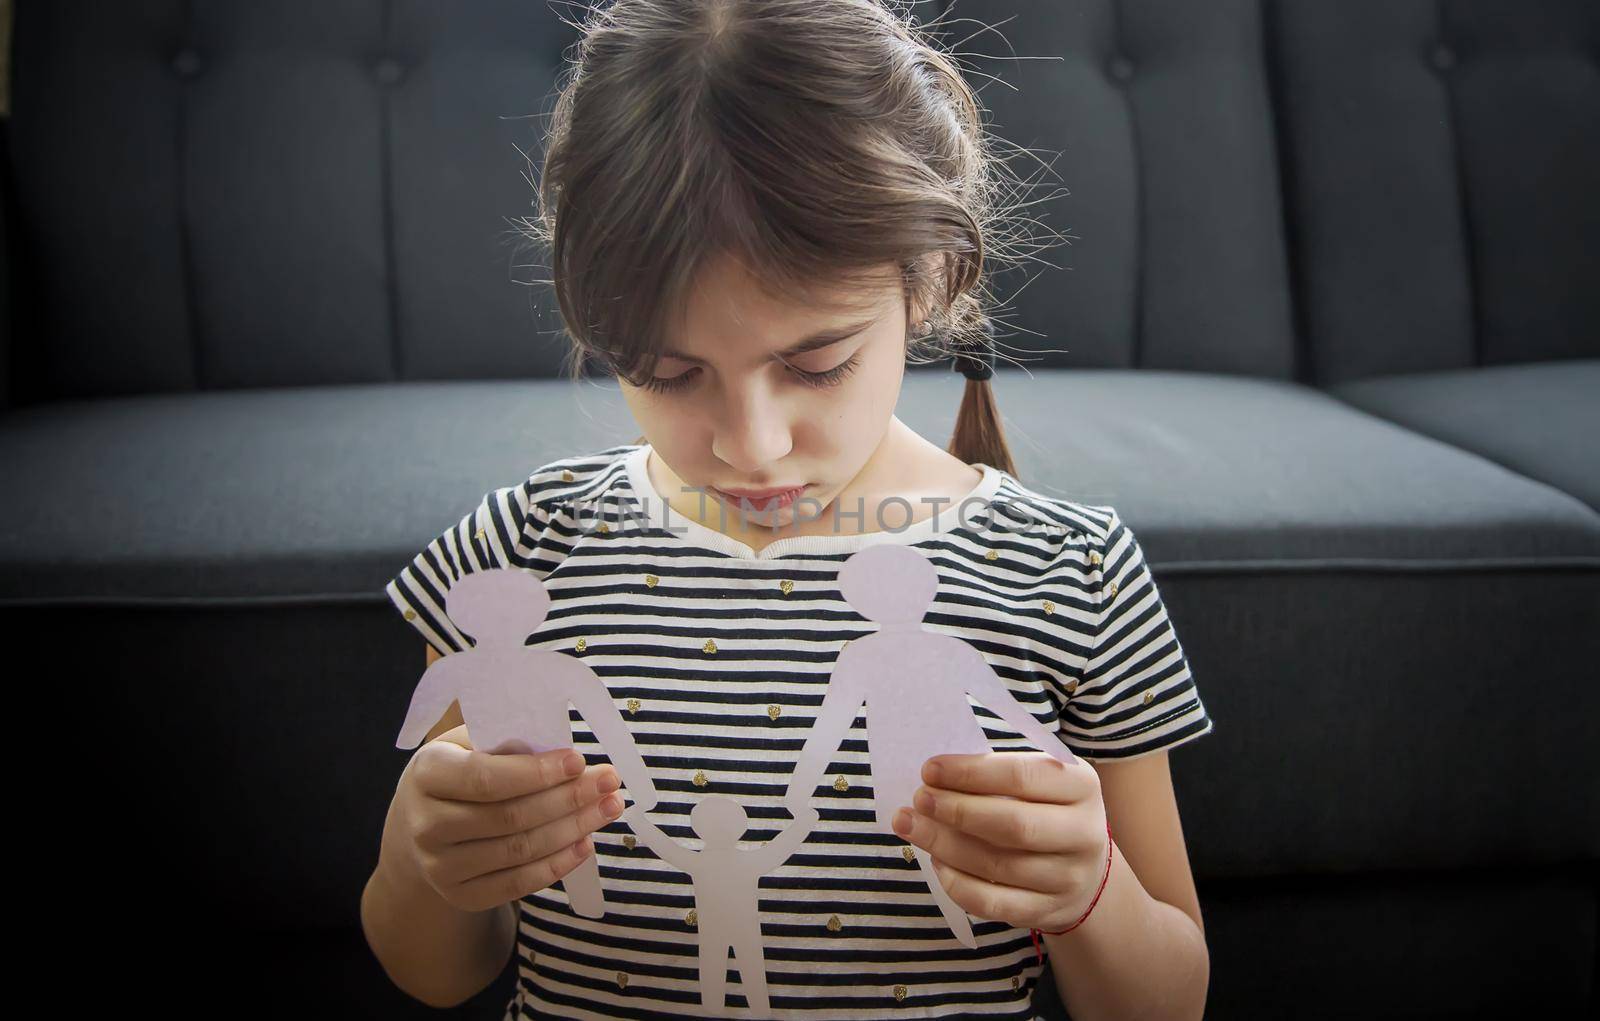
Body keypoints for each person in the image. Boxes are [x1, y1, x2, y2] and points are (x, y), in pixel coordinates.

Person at [361, 2, 1216, 1018]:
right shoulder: (517, 556)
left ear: (930, 279)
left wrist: (1092, 893)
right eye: (670, 375)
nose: (751, 445)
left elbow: (1168, 1000)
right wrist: (428, 862)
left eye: (816, 364)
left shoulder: (1071, 571)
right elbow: (435, 969)